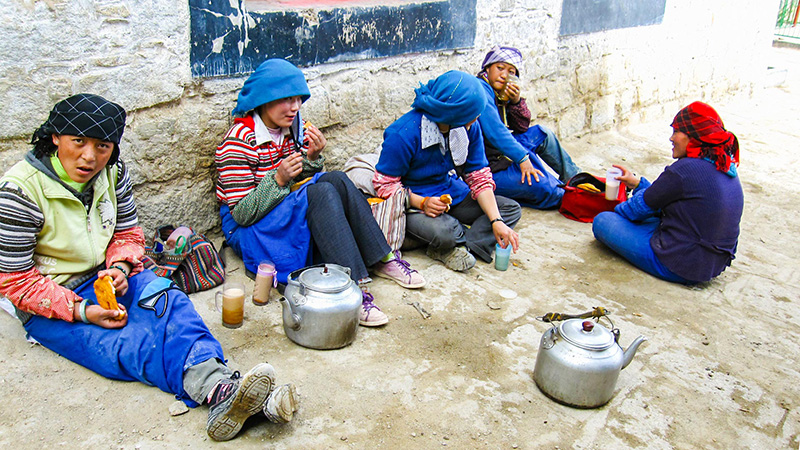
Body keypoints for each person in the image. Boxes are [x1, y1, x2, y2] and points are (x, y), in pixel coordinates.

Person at [0, 94, 297, 442]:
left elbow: (126, 231)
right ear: (55, 137)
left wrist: (122, 267)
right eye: (78, 142)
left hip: (110, 277)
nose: (89, 156)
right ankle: (234, 395)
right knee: (127, 344)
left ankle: (224, 391)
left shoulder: (113, 172)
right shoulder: (20, 192)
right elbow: (15, 281)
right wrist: (82, 310)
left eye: (102, 146)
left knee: (173, 305)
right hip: (53, 299)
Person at [215, 59, 424, 327]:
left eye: (298, 99)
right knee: (320, 194)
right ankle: (354, 290)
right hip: (249, 227)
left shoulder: (291, 128)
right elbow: (241, 215)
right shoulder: (238, 141)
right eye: (286, 100)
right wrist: (278, 179)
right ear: (264, 99)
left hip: (280, 208)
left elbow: (299, 178)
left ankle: (382, 258)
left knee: (335, 178)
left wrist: (312, 158)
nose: (295, 107)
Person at [373, 70, 521, 272]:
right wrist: (422, 202)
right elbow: (385, 185)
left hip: (450, 192)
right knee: (447, 230)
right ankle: (449, 241)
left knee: (508, 210)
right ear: (455, 113)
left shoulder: (469, 127)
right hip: (413, 203)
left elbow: (478, 176)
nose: (477, 118)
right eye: (473, 113)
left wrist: (496, 221)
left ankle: (456, 247)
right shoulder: (403, 134)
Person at [592, 101, 744, 284]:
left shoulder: (685, 169)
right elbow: (663, 196)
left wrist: (618, 207)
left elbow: (632, 211)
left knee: (603, 221)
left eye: (676, 132)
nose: (671, 139)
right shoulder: (723, 164)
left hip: (680, 264)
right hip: (712, 265)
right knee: (654, 212)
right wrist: (637, 183)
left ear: (692, 136)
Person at [476, 46, 582, 209]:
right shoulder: (481, 90)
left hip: (504, 154)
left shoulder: (501, 94)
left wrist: (516, 101)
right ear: (488, 68)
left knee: (542, 134)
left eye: (511, 72)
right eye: (500, 68)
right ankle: (570, 198)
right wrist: (523, 158)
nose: (504, 75)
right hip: (488, 167)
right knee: (544, 187)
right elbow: (496, 132)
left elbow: (522, 127)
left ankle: (577, 180)